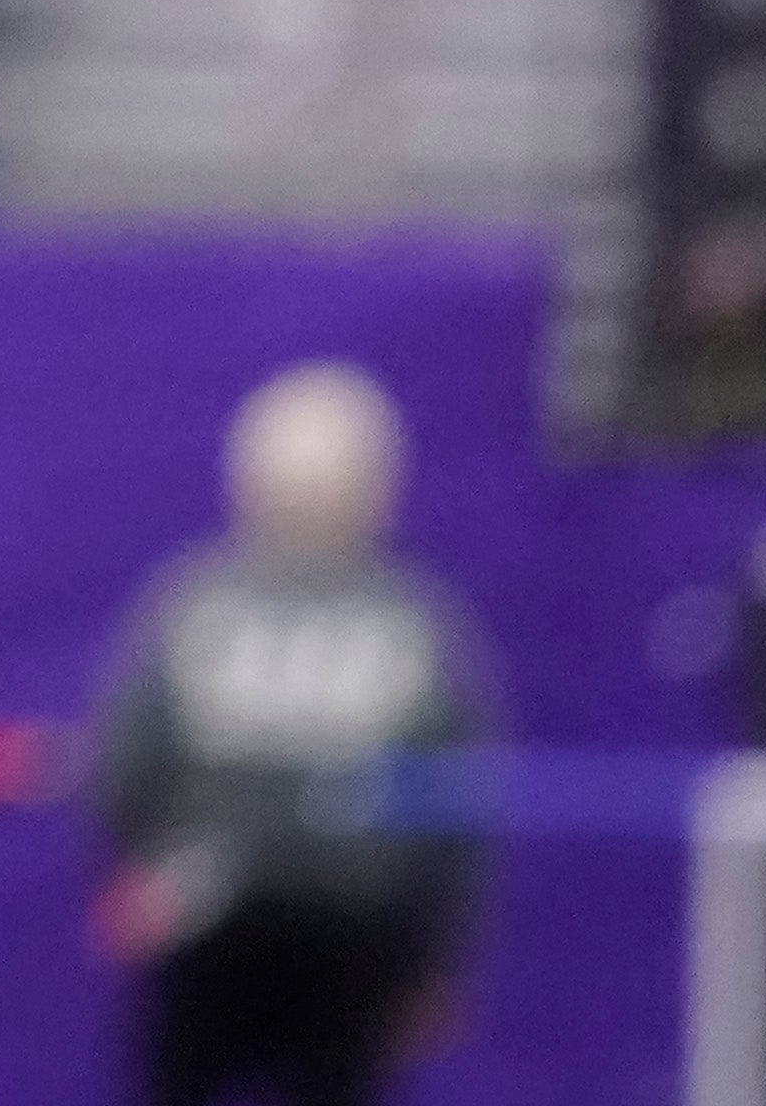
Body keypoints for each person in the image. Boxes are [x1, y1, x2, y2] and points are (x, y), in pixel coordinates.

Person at [86, 362, 496, 1106]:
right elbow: (453, 806)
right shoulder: (411, 619)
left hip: (217, 916)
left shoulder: (195, 603)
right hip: (343, 922)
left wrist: (132, 871)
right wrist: (435, 960)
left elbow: (125, 763)